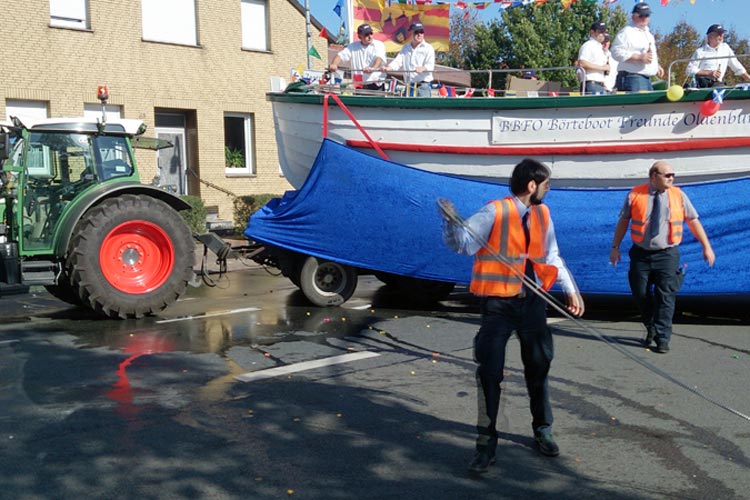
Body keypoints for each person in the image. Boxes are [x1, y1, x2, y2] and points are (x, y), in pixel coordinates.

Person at [441, 159, 585, 474]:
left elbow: (551, 256)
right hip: (498, 306)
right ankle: (485, 444)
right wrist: (452, 222)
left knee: (538, 365)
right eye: (547, 184)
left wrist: (570, 289)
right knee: (489, 372)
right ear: (532, 185)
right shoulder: (494, 211)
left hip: (532, 302)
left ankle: (542, 428)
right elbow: (463, 245)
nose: (549, 190)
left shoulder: (543, 214)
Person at [609, 161, 715, 354]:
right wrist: (615, 247)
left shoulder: (678, 195)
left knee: (665, 297)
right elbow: (623, 221)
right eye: (667, 175)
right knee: (640, 293)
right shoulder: (635, 194)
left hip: (667, 254)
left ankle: (662, 337)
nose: (671, 178)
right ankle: (651, 326)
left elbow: (693, 220)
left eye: (673, 175)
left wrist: (706, 246)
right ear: (653, 176)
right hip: (641, 254)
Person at [611, 2, 664, 92]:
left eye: (647, 15)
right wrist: (639, 57)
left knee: (647, 105)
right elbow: (615, 52)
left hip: (645, 78)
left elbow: (648, 53)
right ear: (633, 17)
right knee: (638, 105)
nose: (644, 18)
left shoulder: (647, 33)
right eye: (641, 16)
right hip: (632, 77)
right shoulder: (627, 32)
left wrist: (656, 65)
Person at [686, 24, 750, 88]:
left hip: (718, 84)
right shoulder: (700, 51)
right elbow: (689, 70)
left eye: (722, 34)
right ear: (710, 36)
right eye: (719, 34)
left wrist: (748, 78)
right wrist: (709, 73)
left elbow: (736, 65)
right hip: (702, 85)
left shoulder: (725, 48)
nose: (721, 36)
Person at [328, 24, 386, 91]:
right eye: (366, 35)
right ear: (359, 37)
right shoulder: (353, 46)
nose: (370, 36)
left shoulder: (379, 44)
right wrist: (334, 64)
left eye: (371, 33)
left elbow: (379, 58)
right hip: (359, 85)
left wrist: (373, 68)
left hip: (376, 84)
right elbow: (340, 55)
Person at [385, 22, 435, 97]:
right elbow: (398, 61)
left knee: (423, 108)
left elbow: (430, 66)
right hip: (408, 86)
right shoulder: (405, 47)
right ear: (411, 33)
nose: (419, 34)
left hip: (423, 86)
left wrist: (423, 68)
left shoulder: (428, 48)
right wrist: (388, 67)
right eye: (416, 32)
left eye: (421, 32)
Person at [578, 21, 610, 94]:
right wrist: (603, 68)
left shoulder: (599, 47)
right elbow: (582, 63)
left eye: (604, 32)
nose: (603, 34)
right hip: (591, 83)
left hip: (599, 84)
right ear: (592, 32)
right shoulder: (588, 45)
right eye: (600, 32)